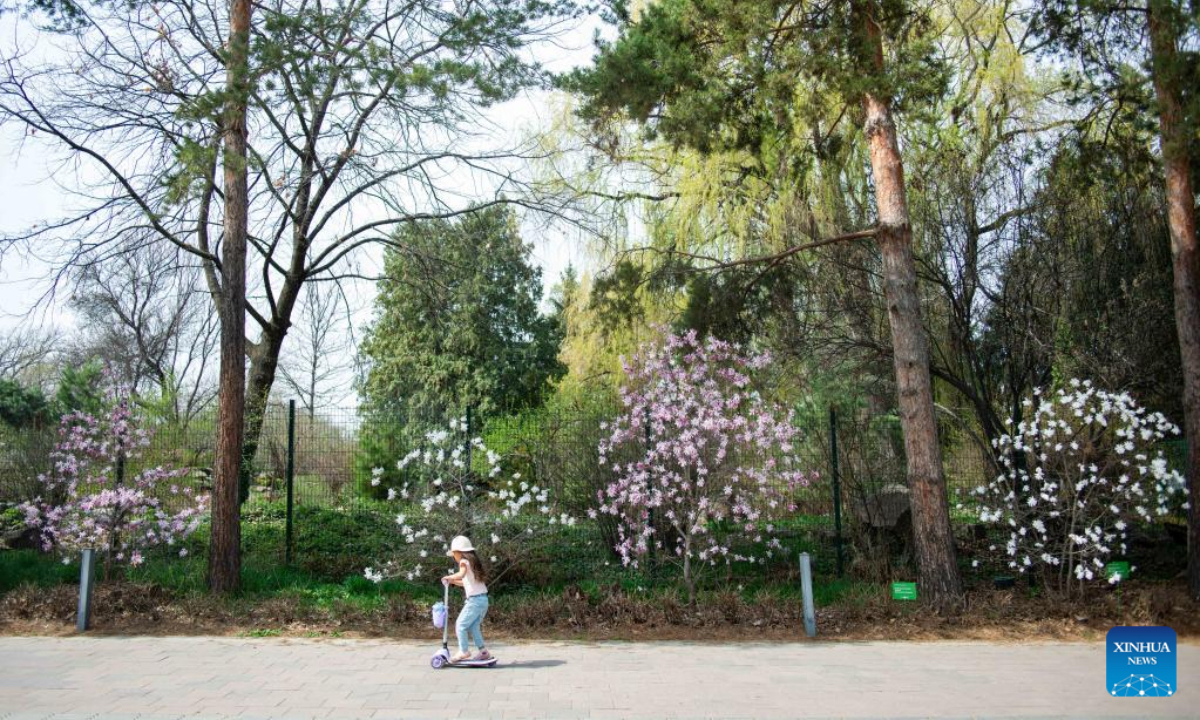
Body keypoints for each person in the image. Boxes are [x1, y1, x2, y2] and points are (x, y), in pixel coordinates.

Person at [441, 535, 490, 663]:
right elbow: (465, 582)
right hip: (483, 600)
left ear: (459, 552)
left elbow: (461, 574)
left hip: (474, 601)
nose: (454, 556)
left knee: (460, 625)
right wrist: (452, 582)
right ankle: (483, 651)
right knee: (474, 627)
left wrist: (449, 577)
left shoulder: (464, 562)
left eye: (454, 554)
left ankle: (464, 651)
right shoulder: (472, 564)